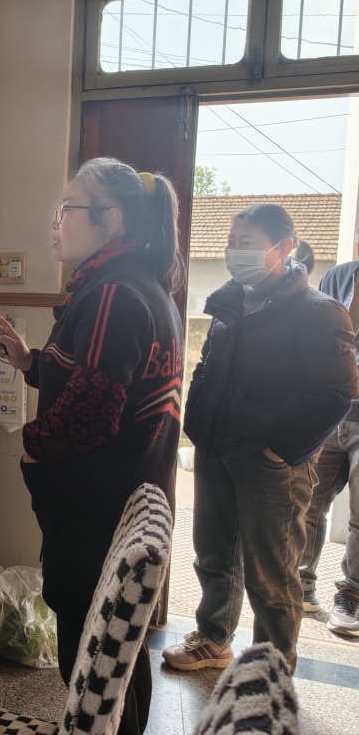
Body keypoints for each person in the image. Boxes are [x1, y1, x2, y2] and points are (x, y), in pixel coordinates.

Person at [0, 157, 186, 735]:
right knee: (119, 651)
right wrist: (30, 362)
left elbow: (91, 411)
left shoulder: (112, 294)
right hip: (123, 497)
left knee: (91, 659)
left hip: (97, 509)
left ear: (111, 219)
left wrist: (32, 447)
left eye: (67, 207)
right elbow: (98, 378)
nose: (55, 220)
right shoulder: (135, 285)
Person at [167, 204, 359, 674]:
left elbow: (335, 393)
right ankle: (213, 639)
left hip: (272, 462)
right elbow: (208, 367)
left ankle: (269, 666)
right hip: (217, 448)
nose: (235, 251)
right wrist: (199, 427)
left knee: (271, 572)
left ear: (284, 247)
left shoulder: (319, 311)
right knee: (214, 555)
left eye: (247, 242)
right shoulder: (230, 302)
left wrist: (279, 449)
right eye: (232, 242)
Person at [298, 257, 359, 635]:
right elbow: (322, 338)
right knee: (308, 502)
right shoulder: (339, 276)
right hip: (331, 409)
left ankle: (351, 595)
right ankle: (301, 585)